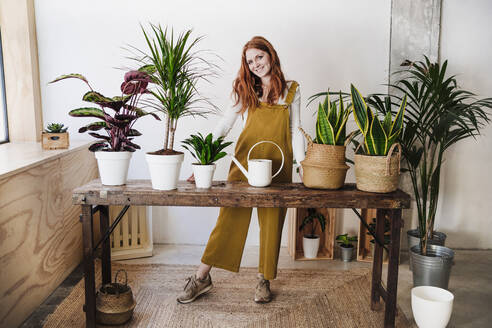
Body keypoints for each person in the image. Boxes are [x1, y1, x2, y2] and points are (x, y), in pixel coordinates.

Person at [177, 36, 305, 304]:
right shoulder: (245, 88)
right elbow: (224, 124)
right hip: (245, 165)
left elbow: (295, 131)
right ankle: (202, 277)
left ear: (270, 54)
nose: (255, 64)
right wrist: (204, 157)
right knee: (229, 219)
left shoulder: (291, 89)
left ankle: (263, 279)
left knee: (272, 223)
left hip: (278, 167)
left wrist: (302, 165)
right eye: (250, 60)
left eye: (259, 57)